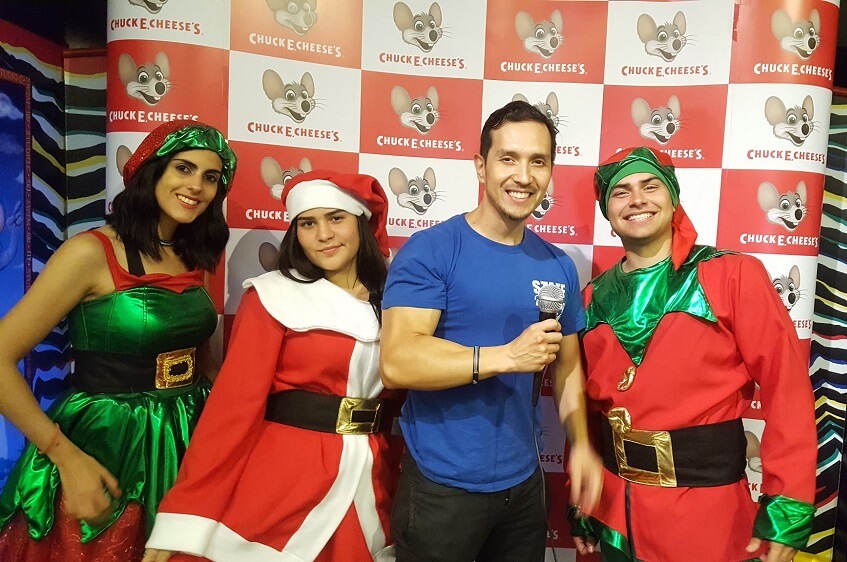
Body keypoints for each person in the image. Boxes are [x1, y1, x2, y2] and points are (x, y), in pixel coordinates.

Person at [0, 119, 236, 561]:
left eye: (210, 177)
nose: (197, 186)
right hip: (110, 442)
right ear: (152, 170)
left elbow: (199, 358)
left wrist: (236, 428)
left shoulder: (191, 253)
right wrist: (65, 457)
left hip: (190, 433)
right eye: (183, 168)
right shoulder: (89, 252)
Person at [379, 100, 603, 562]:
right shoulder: (431, 250)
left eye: (538, 161)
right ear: (481, 166)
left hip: (524, 487)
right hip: (441, 489)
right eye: (508, 158)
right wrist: (505, 357)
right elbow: (398, 362)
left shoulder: (558, 265)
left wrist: (581, 443)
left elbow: (567, 368)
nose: (524, 175)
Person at [142, 171, 402, 562]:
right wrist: (186, 512)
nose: (323, 234)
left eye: (336, 218)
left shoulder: (401, 298)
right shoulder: (271, 296)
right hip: (284, 479)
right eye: (307, 223)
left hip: (373, 475)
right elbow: (232, 411)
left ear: (361, 223)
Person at [572, 147, 817, 562]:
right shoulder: (592, 298)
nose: (637, 199)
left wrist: (787, 504)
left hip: (707, 519)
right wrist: (584, 502)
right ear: (607, 214)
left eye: (650, 186)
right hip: (616, 519)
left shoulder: (732, 274)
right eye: (621, 192)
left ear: (673, 198)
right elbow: (587, 410)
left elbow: (786, 388)